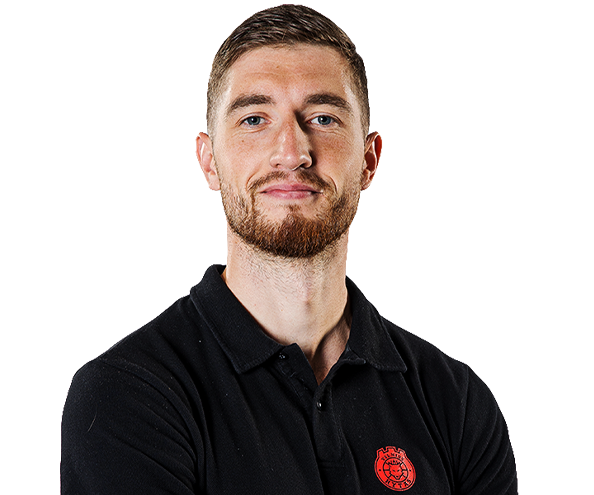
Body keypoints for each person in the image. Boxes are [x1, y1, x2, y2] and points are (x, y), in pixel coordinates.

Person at [61, 5, 517, 494]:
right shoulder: (127, 395)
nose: (292, 152)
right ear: (209, 160)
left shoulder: (457, 402)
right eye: (255, 119)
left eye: (323, 118)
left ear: (368, 159)